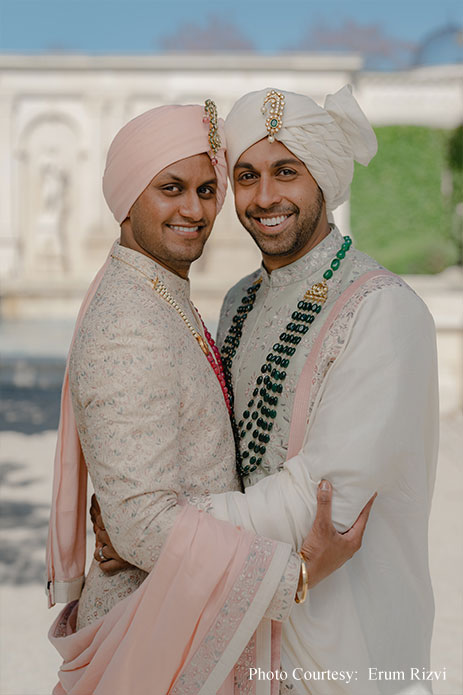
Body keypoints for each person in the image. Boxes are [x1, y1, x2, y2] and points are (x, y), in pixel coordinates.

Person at [96, 86, 439, 694]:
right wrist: (152, 529)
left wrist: (159, 534)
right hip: (243, 621)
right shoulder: (241, 301)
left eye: (286, 172)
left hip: (345, 634)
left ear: (323, 178)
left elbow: (326, 497)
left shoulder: (382, 310)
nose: (264, 198)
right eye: (246, 176)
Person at [46, 100, 372, 694]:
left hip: (178, 615)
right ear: (127, 197)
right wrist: (295, 576)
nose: (194, 211)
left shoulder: (159, 295)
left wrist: (124, 511)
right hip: (149, 636)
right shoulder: (131, 322)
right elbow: (143, 523)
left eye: (206, 189)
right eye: (171, 189)